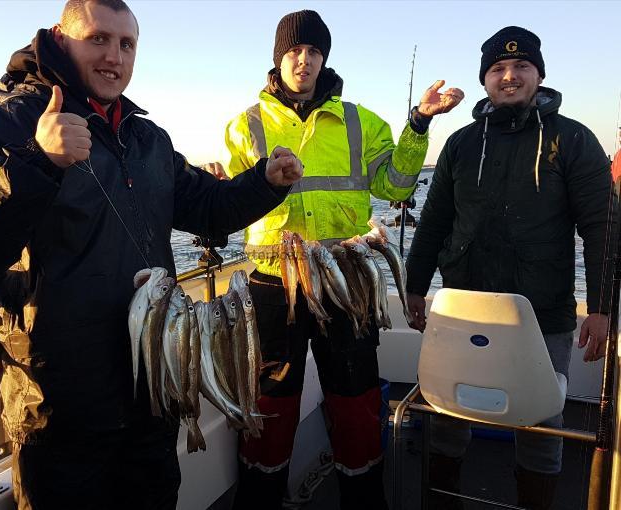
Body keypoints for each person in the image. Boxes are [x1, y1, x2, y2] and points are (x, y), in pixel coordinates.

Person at [0, 1, 303, 509]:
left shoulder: (146, 137)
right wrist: (36, 162)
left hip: (152, 391)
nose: (114, 56)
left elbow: (206, 206)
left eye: (126, 44)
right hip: (58, 406)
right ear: (60, 39)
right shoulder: (13, 123)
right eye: (98, 39)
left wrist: (264, 184)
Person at [204, 10, 463, 510]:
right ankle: (260, 498)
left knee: (356, 396)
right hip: (273, 281)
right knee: (270, 402)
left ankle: (363, 498)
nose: (304, 60)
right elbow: (233, 206)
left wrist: (418, 122)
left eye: (314, 51)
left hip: (348, 276)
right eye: (294, 51)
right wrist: (217, 185)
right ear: (278, 59)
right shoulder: (245, 126)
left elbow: (397, 185)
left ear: (324, 59)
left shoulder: (361, 121)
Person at [405, 26, 612, 510]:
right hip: (464, 310)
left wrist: (602, 308)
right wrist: (415, 287)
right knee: (448, 416)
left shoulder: (573, 140)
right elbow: (433, 222)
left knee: (540, 425)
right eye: (498, 69)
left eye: (521, 67)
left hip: (544, 314)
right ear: (485, 81)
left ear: (539, 74)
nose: (510, 76)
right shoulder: (459, 144)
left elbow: (603, 229)